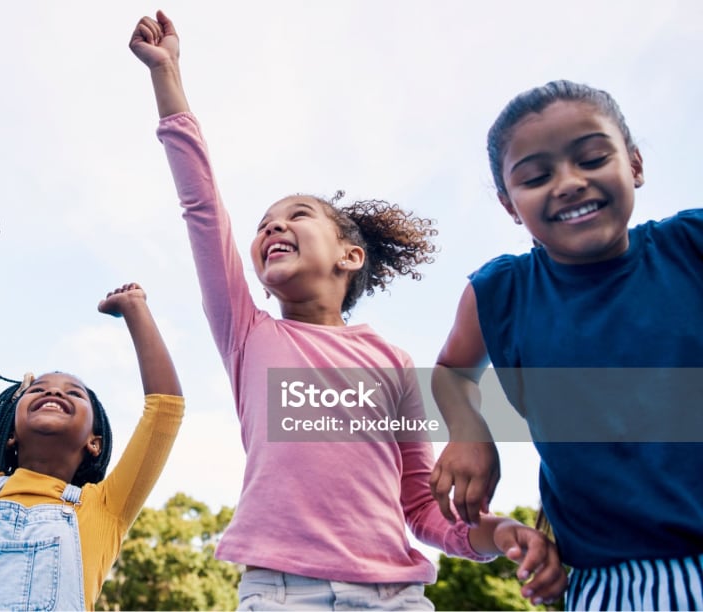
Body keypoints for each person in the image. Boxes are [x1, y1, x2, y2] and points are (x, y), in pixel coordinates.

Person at [130, 11, 565, 610]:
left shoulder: (392, 362)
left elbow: (421, 507)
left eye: (298, 215)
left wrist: (497, 534)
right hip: (280, 592)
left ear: (350, 255)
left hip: (395, 595)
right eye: (263, 225)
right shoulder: (246, 332)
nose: (274, 225)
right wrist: (168, 77)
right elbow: (202, 208)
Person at [429, 79, 703, 610]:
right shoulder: (501, 292)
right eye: (537, 176)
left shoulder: (690, 246)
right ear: (511, 205)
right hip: (609, 582)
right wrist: (468, 430)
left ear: (636, 165)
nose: (570, 183)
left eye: (593, 158)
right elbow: (452, 370)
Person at [0, 221, 184, 611]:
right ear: (10, 434)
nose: (54, 391)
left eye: (73, 393)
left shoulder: (107, 506)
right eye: (38, 390)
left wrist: (135, 309)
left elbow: (164, 410)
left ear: (95, 441)